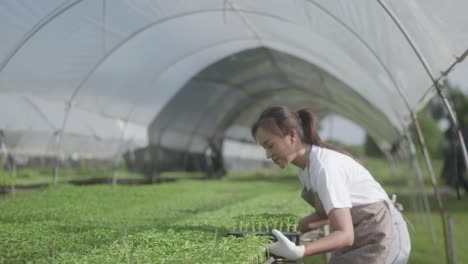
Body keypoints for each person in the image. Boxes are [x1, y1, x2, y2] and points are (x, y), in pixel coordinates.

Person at [251, 106, 411, 263]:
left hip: (382, 234)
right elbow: (325, 215)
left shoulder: (323, 167)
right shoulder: (305, 168)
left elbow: (345, 235)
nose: (268, 155)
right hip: (360, 232)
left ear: (292, 136)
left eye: (270, 145)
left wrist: (300, 251)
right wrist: (280, 232)